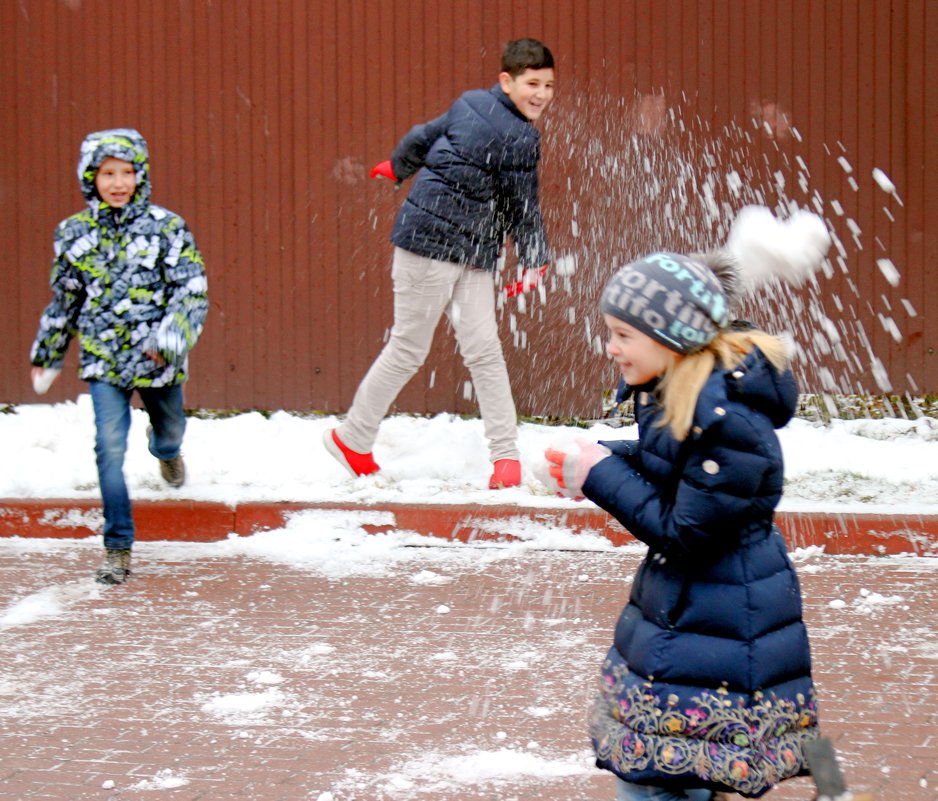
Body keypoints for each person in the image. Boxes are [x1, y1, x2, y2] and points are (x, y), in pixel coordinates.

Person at [540, 251, 819, 799]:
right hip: (696, 612)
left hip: (721, 614)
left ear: (671, 338)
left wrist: (599, 475)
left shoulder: (727, 424)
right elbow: (668, 462)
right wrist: (599, 456)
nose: (611, 347)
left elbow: (685, 532)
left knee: (657, 780)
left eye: (623, 334)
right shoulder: (689, 395)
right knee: (668, 769)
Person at [324, 38, 555, 489]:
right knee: (410, 348)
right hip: (430, 246)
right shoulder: (521, 136)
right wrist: (534, 260)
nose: (542, 94)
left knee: (484, 350)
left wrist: (397, 166)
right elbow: (523, 205)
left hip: (470, 252)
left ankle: (505, 459)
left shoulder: (469, 103)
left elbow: (421, 135)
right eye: (532, 84)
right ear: (506, 81)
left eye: (548, 85)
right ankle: (351, 437)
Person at [29, 128, 208, 585]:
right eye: (107, 173)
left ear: (140, 175)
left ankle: (166, 451)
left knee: (169, 431)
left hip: (157, 359)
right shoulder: (73, 234)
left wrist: (170, 338)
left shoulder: (168, 228)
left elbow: (192, 291)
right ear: (91, 177)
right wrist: (49, 353)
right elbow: (65, 298)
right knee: (108, 449)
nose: (117, 182)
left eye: (126, 172)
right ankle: (117, 547)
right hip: (103, 358)